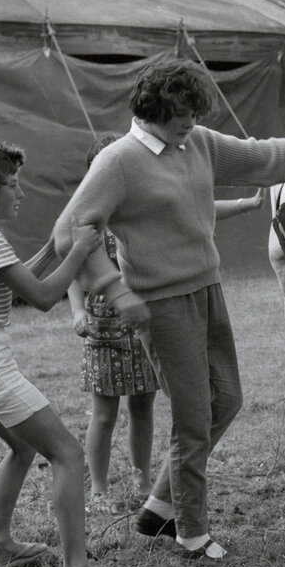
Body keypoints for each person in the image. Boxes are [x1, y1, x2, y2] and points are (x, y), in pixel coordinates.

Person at [52, 58, 285, 560]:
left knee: (227, 399)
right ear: (154, 109)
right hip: (160, 303)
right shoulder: (117, 162)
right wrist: (116, 290)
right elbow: (70, 232)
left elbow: (264, 156)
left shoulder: (196, 142)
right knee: (193, 417)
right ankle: (191, 533)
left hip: (207, 290)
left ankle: (160, 505)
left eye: (195, 112)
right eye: (182, 113)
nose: (192, 121)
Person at [0, 135, 117, 567]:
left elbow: (15, 279)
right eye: (13, 184)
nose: (20, 192)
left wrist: (56, 248)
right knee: (68, 454)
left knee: (21, 447)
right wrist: (78, 251)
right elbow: (40, 297)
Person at [68, 132, 267, 513]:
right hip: (105, 330)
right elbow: (76, 271)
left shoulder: (143, 207)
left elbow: (199, 207)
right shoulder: (88, 219)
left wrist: (246, 204)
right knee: (104, 413)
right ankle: (99, 488)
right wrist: (78, 311)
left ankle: (143, 479)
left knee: (142, 407)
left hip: (145, 323)